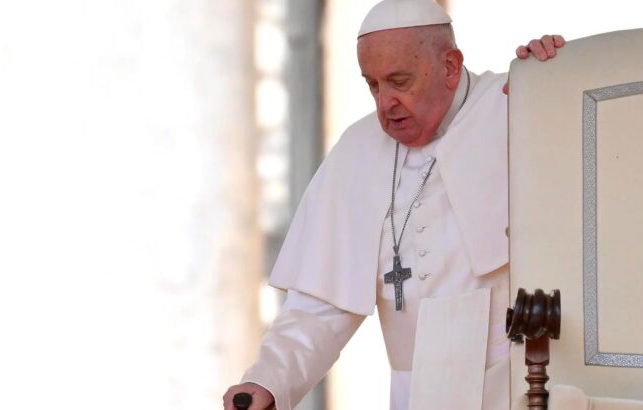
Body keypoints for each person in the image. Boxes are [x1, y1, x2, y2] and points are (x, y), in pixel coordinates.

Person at [224, 1, 564, 409]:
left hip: (519, 389)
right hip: (415, 395)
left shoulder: (516, 103)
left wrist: (564, 75)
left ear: (451, 67)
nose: (385, 104)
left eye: (399, 82)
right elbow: (322, 302)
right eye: (373, 85)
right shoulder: (358, 149)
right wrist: (269, 380)